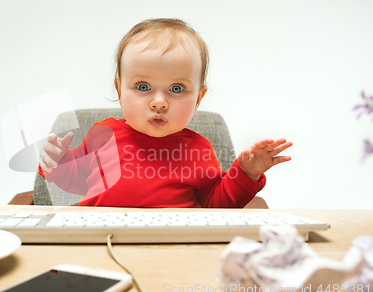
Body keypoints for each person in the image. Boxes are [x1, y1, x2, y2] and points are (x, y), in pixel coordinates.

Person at [38, 18, 292, 208]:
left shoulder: (200, 151)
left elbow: (217, 206)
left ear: (198, 98)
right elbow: (78, 182)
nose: (159, 102)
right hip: (97, 239)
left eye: (177, 88)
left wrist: (246, 174)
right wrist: (59, 162)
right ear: (119, 89)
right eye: (143, 87)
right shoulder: (102, 135)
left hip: (171, 245)